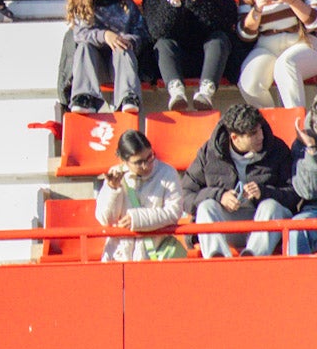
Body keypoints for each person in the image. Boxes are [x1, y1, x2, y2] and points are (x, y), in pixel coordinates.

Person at [180, 103, 296, 257]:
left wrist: (264, 192)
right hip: (227, 225)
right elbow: (185, 195)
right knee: (206, 206)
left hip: (265, 226)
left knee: (271, 206)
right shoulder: (209, 153)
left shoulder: (277, 149)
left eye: (260, 129)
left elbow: (294, 195)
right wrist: (219, 196)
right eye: (253, 134)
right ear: (234, 137)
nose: (261, 136)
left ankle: (252, 259)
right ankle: (218, 262)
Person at [141, 0, 237, 112]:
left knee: (219, 39)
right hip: (179, 57)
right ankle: (176, 92)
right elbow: (156, 31)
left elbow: (228, 18)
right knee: (163, 45)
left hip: (210, 57)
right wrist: (173, 1)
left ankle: (206, 93)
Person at [236, 0, 317, 109]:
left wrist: (292, 1)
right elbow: (245, 33)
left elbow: (314, 23)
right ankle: (272, 125)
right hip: (267, 45)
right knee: (249, 82)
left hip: (304, 42)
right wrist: (257, 9)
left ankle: (296, 125)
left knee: (285, 65)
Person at [65, 0, 149, 113]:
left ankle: (128, 96)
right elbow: (80, 33)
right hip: (95, 65)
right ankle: (84, 96)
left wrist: (127, 39)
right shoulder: (82, 3)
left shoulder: (125, 2)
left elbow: (142, 31)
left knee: (121, 47)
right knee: (84, 47)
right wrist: (105, 35)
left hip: (121, 62)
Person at [94, 131, 184, 261]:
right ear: (124, 161)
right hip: (118, 257)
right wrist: (112, 189)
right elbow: (105, 219)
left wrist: (136, 219)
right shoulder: (114, 176)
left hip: (156, 257)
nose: (146, 165)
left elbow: (174, 212)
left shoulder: (168, 173)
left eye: (150, 157)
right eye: (139, 162)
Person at [288, 109, 317, 255]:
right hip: (314, 210)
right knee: (297, 228)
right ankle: (295, 277)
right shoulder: (303, 144)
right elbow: (307, 191)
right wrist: (312, 152)